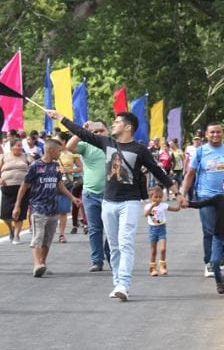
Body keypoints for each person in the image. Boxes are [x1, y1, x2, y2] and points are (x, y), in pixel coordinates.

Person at [49, 109, 178, 301]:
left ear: (128, 127)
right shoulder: (106, 143)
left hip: (130, 202)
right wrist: (60, 117)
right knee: (115, 246)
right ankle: (118, 282)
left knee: (126, 243)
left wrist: (177, 193)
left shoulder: (139, 149)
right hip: (108, 202)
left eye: (117, 122)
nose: (113, 124)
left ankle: (124, 284)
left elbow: (158, 171)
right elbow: (80, 133)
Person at [179, 122, 224, 276]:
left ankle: (221, 256)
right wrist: (182, 194)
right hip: (205, 195)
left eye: (218, 132)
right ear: (206, 135)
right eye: (212, 132)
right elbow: (190, 174)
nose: (215, 135)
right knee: (209, 230)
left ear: (223, 134)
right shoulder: (200, 152)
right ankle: (210, 263)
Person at [13, 138, 81, 278]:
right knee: (38, 237)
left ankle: (42, 263)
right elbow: (24, 186)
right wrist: (17, 205)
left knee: (47, 239)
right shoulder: (35, 166)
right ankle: (37, 264)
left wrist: (72, 197)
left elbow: (59, 185)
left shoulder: (56, 166)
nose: (60, 154)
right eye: (58, 151)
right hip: (38, 207)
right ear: (50, 150)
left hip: (53, 208)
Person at [67, 120, 110, 272]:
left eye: (101, 130)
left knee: (112, 229)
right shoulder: (86, 145)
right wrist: (82, 131)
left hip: (111, 194)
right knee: (94, 229)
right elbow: (69, 147)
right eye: (95, 132)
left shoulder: (113, 145)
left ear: (108, 131)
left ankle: (110, 255)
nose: (98, 133)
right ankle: (97, 260)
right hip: (90, 194)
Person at [0, 138, 33, 245]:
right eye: (17, 145)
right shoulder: (4, 157)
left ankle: (17, 235)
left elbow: (34, 168)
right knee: (6, 215)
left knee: (20, 213)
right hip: (7, 188)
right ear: (11, 147)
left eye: (21, 146)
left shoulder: (26, 157)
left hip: (23, 188)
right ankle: (11, 229)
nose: (19, 148)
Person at [144, 185, 180, 276]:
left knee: (163, 249)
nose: (158, 199)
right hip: (153, 230)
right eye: (156, 197)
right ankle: (152, 268)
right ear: (151, 197)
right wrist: (152, 206)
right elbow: (146, 214)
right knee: (153, 251)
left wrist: (179, 204)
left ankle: (162, 266)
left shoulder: (163, 205)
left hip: (162, 229)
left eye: (160, 197)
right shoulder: (148, 206)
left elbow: (175, 209)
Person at [55, 132, 82, 242]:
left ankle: (61, 234)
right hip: (51, 184)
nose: (55, 142)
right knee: (51, 210)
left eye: (57, 140)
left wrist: (68, 170)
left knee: (63, 210)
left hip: (66, 184)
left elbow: (80, 168)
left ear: (63, 141)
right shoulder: (52, 152)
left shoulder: (72, 154)